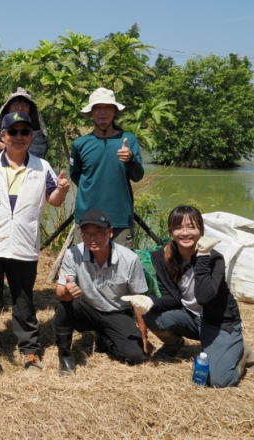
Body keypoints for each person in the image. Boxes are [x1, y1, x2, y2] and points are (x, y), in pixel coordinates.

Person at [0, 111, 69, 371]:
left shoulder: (42, 166)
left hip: (24, 245)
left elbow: (54, 200)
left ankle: (30, 350)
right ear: (2, 135)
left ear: (31, 136)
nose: (18, 137)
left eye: (24, 132)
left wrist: (62, 189)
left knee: (24, 300)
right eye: (12, 132)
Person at [132, 206, 254, 387]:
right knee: (152, 316)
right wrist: (151, 301)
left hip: (219, 322)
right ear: (171, 231)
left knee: (220, 381)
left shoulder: (215, 259)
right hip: (190, 317)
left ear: (201, 231)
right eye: (178, 227)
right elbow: (171, 298)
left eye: (192, 227)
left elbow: (204, 297)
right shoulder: (161, 257)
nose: (185, 233)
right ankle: (173, 344)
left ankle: (241, 351)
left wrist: (203, 256)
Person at [54, 210, 149, 375]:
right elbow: (60, 292)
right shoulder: (72, 254)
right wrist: (68, 293)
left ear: (110, 232)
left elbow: (139, 299)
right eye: (87, 233)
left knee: (135, 356)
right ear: (82, 235)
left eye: (98, 232)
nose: (92, 238)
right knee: (63, 307)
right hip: (87, 308)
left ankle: (105, 336)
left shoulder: (129, 258)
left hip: (116, 312)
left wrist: (144, 337)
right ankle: (64, 356)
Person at [70, 88, 143, 248]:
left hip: (120, 218)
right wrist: (93, 191)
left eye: (108, 107)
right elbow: (76, 176)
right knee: (85, 268)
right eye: (97, 108)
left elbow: (137, 176)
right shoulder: (80, 143)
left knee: (121, 269)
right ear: (90, 113)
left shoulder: (128, 139)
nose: (102, 112)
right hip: (87, 217)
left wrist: (130, 159)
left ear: (115, 112)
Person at [0, 87, 49, 160]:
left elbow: (35, 160)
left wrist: (4, 148)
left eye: (25, 105)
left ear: (30, 109)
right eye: (15, 104)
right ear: (8, 108)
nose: (20, 108)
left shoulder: (37, 136)